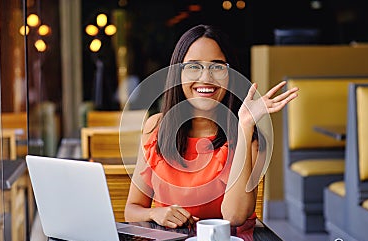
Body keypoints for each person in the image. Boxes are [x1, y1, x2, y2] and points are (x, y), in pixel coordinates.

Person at [124, 24, 298, 229]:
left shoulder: (248, 138)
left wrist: (244, 125)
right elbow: (132, 210)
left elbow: (234, 217)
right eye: (194, 67)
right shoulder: (156, 127)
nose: (206, 78)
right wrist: (155, 213)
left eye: (217, 66)